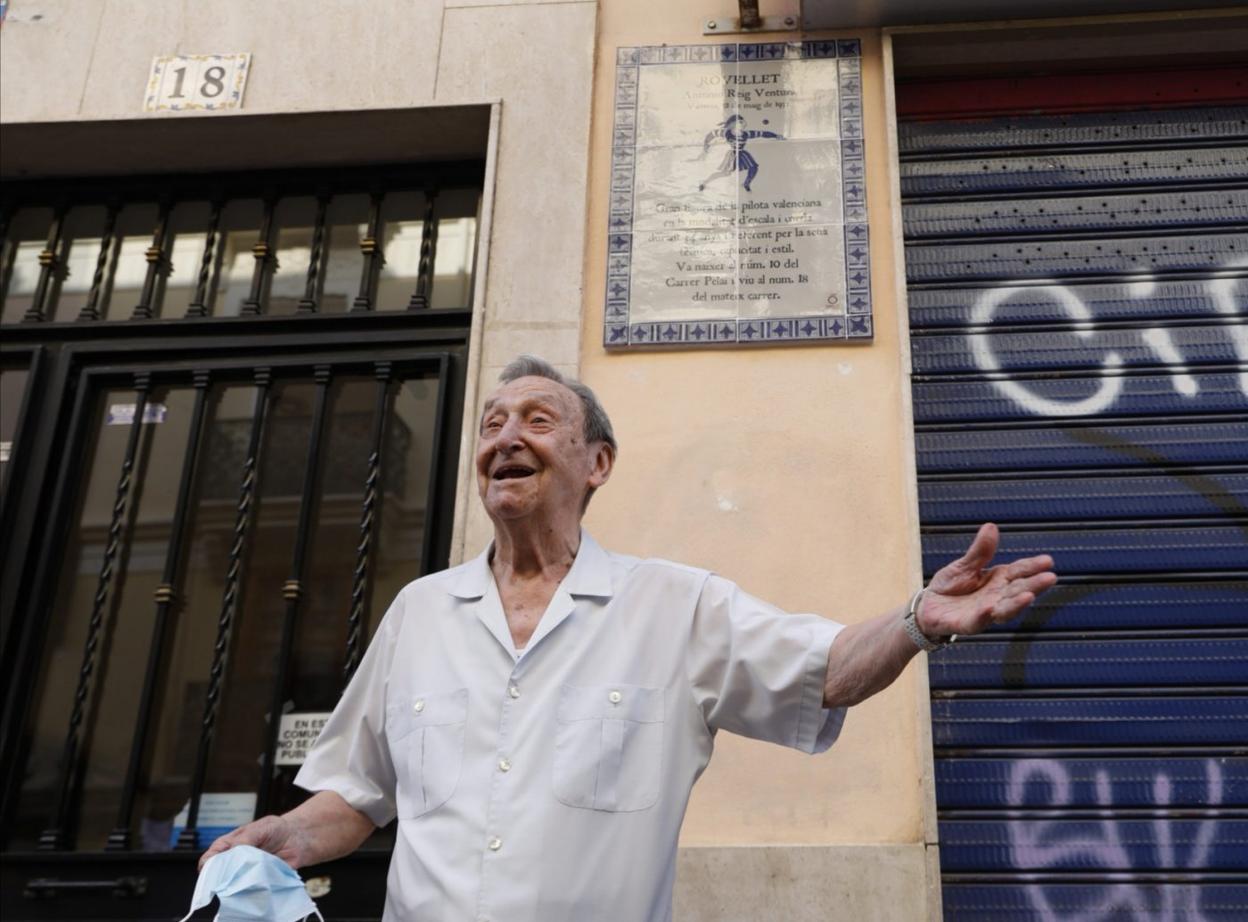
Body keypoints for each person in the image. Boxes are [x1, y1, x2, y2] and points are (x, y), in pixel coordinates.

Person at [200, 354, 1057, 921]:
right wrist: (291, 835)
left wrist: (915, 624)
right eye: (493, 423)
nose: (506, 437)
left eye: (537, 420)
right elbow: (357, 794)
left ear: (596, 463)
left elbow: (823, 670)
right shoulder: (419, 614)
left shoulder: (673, 606)